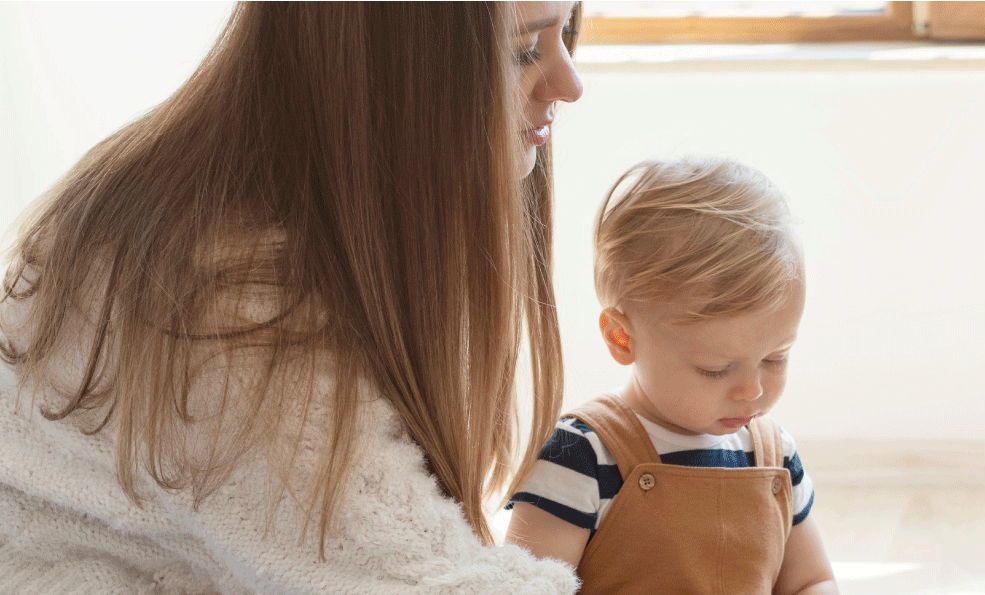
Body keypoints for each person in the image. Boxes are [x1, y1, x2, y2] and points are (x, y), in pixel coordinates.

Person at [0, 2, 585, 593]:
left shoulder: (321, 217)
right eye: (522, 51)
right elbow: (414, 582)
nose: (571, 84)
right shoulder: (214, 298)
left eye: (566, 31)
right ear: (383, 66)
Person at [504, 156, 840, 595]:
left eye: (775, 358)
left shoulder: (774, 458)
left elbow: (812, 580)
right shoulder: (580, 457)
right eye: (715, 369)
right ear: (623, 339)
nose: (753, 389)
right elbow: (525, 588)